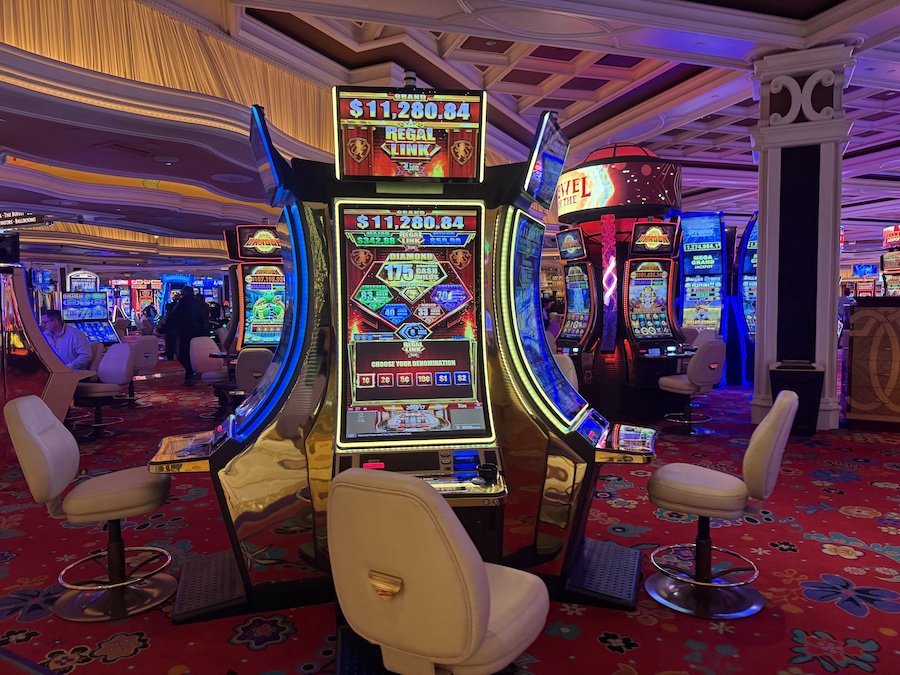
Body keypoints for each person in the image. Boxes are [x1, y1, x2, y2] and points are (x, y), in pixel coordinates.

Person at [166, 286, 209, 385]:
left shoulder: (182, 302)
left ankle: (190, 371)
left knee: (182, 353)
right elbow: (203, 317)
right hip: (198, 331)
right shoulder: (198, 302)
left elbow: (174, 315)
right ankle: (191, 373)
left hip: (184, 330)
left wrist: (174, 302)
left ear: (184, 292)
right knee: (193, 353)